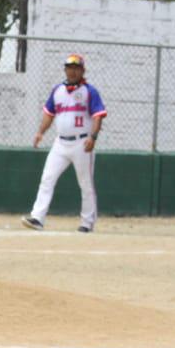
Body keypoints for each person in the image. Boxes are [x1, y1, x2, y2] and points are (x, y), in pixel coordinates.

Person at [22, 54, 107, 233]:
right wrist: (40, 132)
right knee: (47, 178)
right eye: (69, 67)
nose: (72, 71)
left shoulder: (89, 91)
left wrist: (93, 137)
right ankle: (37, 217)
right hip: (60, 143)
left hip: (82, 142)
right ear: (65, 70)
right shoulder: (57, 90)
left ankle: (87, 223)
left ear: (82, 71)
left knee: (85, 183)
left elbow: (98, 116)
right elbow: (49, 114)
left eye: (76, 68)